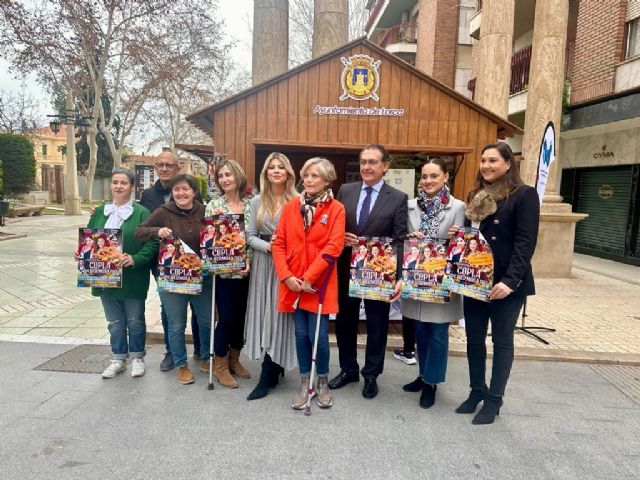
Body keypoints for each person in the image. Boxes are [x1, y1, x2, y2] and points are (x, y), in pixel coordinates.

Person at [455, 142, 540, 425]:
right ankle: (477, 391)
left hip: (505, 283)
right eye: (483, 160)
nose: (486, 165)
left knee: (502, 342)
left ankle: (494, 400)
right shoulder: (475, 195)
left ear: (507, 164)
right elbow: (473, 238)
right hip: (474, 281)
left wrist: (510, 281)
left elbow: (525, 243)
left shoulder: (523, 196)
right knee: (474, 339)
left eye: (493, 160)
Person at [329, 144, 408, 399]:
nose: (367, 167)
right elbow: (333, 227)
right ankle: (348, 368)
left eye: (373, 162)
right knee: (345, 322)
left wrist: (396, 275)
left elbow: (399, 238)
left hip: (378, 273)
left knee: (376, 325)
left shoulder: (397, 197)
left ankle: (371, 374)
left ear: (385, 166)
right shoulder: (345, 190)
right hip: (346, 269)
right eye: (363, 162)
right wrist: (341, 238)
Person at [391, 157, 465, 408]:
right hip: (416, 277)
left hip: (442, 278)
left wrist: (456, 237)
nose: (428, 181)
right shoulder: (410, 206)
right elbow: (399, 237)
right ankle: (422, 376)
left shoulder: (457, 207)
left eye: (434, 176)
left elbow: (465, 245)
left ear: (445, 177)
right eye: (424, 176)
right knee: (420, 330)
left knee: (438, 334)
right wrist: (410, 237)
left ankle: (432, 382)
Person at [272, 157, 345, 410]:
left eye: (316, 176)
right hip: (292, 282)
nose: (310, 180)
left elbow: (334, 247)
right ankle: (305, 380)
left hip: (318, 284)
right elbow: (278, 243)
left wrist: (308, 278)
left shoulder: (336, 209)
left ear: (327, 180)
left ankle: (322, 379)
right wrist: (287, 276)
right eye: (307, 175)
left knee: (320, 337)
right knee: (301, 333)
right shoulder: (292, 206)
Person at [135, 174, 212, 385]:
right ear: (172, 193)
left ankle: (205, 357)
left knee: (206, 322)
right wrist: (156, 230)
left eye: (185, 189)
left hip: (201, 278)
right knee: (176, 325)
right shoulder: (163, 211)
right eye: (177, 189)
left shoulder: (205, 212)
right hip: (172, 279)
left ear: (194, 192)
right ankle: (181, 364)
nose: (181, 193)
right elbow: (138, 232)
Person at [82, 168, 158, 379]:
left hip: (132, 277)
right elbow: (89, 238)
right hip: (105, 277)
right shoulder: (100, 212)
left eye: (123, 183)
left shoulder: (142, 213)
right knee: (114, 322)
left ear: (132, 186)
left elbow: (153, 243)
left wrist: (135, 258)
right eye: (115, 182)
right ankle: (118, 358)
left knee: (135, 320)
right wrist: (83, 253)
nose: (118, 186)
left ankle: (137, 358)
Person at [244, 152, 298, 400]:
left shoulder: (298, 200)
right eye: (271, 167)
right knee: (263, 312)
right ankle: (272, 365)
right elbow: (250, 235)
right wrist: (269, 247)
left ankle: (270, 369)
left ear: (288, 172)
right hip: (264, 264)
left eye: (281, 167)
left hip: (287, 265)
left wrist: (286, 248)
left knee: (279, 315)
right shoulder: (257, 201)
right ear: (266, 172)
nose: (276, 171)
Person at [205, 160, 252, 389]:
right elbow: (210, 240)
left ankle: (235, 359)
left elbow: (253, 235)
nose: (225, 179)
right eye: (221, 176)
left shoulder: (251, 205)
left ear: (239, 176)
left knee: (241, 319)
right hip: (224, 274)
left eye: (229, 174)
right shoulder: (214, 206)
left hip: (248, 272)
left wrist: (249, 259)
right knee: (226, 319)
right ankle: (221, 363)